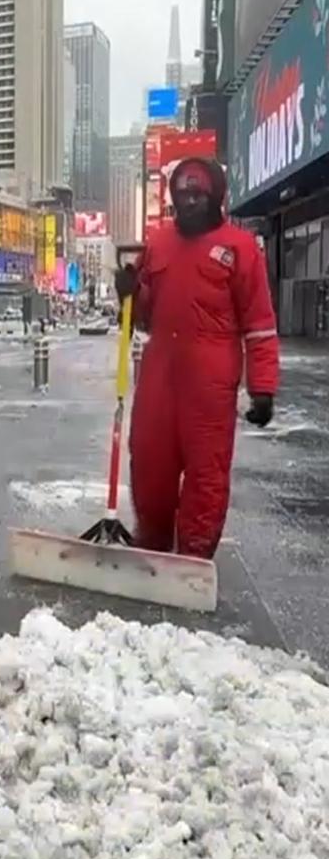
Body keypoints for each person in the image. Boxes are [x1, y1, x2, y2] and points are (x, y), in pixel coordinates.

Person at [114, 157, 278, 559]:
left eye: (198, 194)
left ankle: (194, 555)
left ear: (215, 197)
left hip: (209, 384)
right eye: (183, 194)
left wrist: (263, 388)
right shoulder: (159, 242)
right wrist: (130, 293)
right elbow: (145, 317)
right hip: (159, 374)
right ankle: (152, 540)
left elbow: (259, 324)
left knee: (206, 472)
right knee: (149, 459)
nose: (189, 202)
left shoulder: (240, 249)